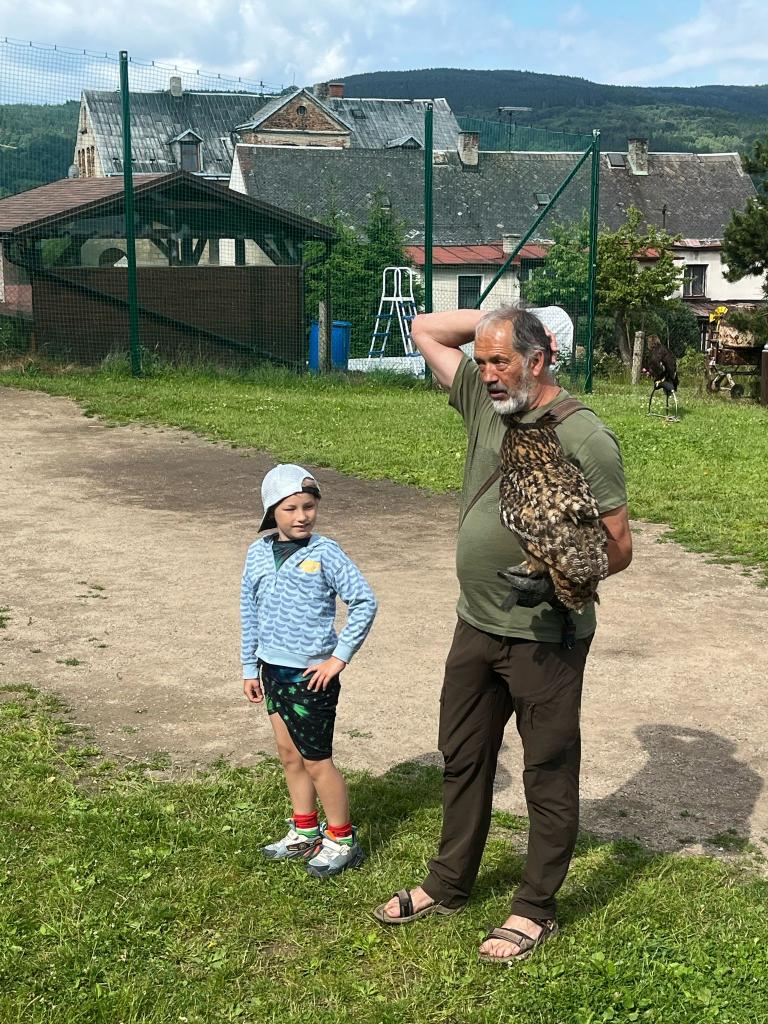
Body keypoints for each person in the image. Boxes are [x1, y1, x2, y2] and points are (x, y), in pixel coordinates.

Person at [373, 306, 632, 963]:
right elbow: (426, 328)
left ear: (539, 360)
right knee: (463, 757)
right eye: (482, 360)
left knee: (546, 771)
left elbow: (620, 546)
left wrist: (562, 574)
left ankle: (535, 908)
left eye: (501, 360)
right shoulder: (485, 404)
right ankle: (448, 882)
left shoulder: (585, 434)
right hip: (476, 622)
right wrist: (507, 320)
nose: (486, 372)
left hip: (547, 636)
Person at [241, 463, 377, 878]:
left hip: (311, 678)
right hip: (272, 672)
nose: (302, 516)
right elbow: (249, 611)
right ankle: (304, 830)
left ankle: (342, 839)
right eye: (290, 508)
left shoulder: (326, 553)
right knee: (289, 755)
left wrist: (339, 658)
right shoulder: (257, 553)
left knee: (317, 761)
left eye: (309, 506)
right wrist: (249, 666)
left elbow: (364, 601)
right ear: (271, 511)